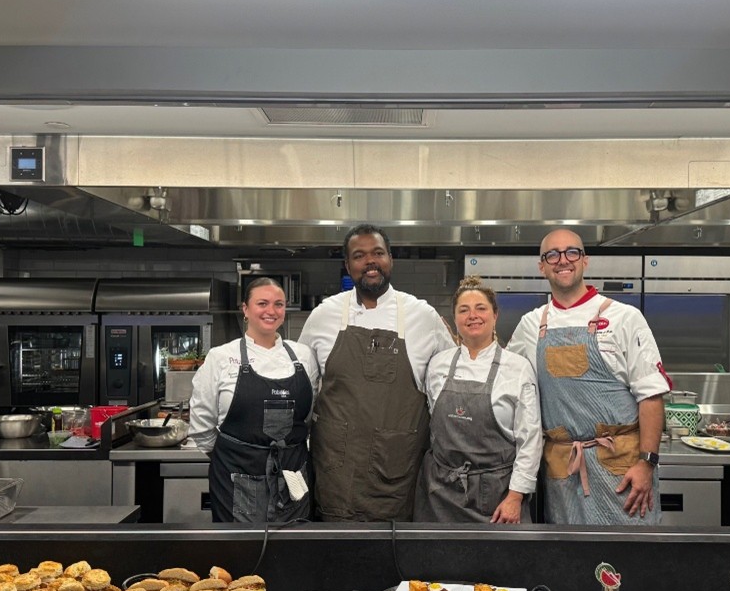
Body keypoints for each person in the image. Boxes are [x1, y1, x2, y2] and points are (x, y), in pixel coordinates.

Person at [507, 229, 670, 525]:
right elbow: (507, 385)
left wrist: (647, 463)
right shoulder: (530, 325)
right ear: (541, 266)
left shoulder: (625, 317)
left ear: (585, 261)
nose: (562, 260)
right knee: (570, 561)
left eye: (571, 252)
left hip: (623, 470)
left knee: (629, 563)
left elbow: (651, 395)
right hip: (562, 473)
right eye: (552, 255)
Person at [298, 223, 456, 522]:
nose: (370, 261)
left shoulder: (423, 316)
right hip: (336, 475)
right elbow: (303, 388)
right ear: (348, 265)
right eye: (359, 255)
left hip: (398, 476)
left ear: (390, 259)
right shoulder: (323, 316)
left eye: (378, 253)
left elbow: (447, 391)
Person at [189, 277, 320, 523]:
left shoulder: (304, 356)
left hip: (293, 481)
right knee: (239, 556)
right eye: (262, 303)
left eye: (278, 304)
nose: (271, 311)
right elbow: (202, 427)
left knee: (293, 553)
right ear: (246, 309)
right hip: (235, 481)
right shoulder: (221, 358)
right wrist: (240, 456)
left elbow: (308, 416)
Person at [414, 276, 542, 524]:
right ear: (455, 319)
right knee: (438, 562)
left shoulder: (517, 367)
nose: (472, 315)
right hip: (440, 493)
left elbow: (530, 440)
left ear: (495, 315)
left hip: (498, 498)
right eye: (464, 310)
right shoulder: (438, 365)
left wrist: (515, 497)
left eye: (480, 308)